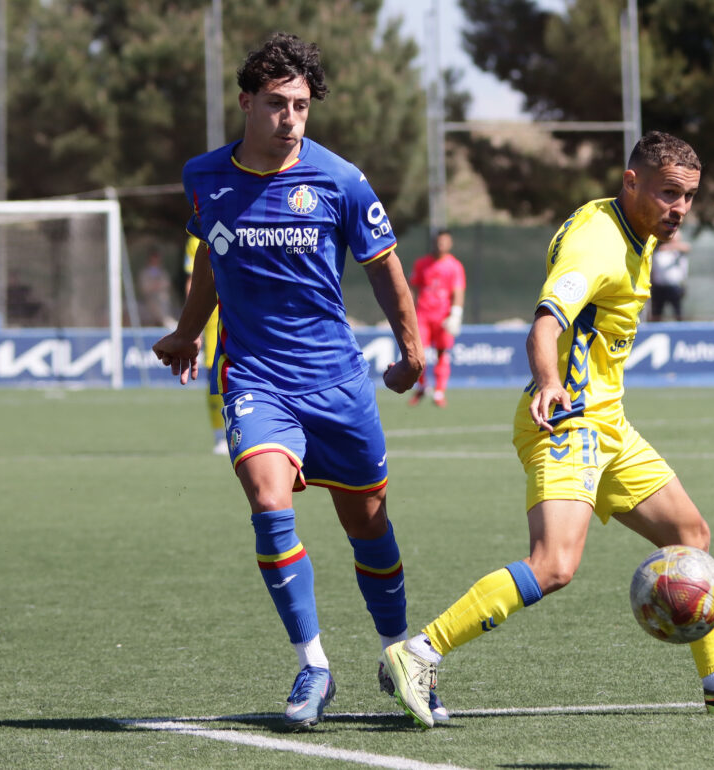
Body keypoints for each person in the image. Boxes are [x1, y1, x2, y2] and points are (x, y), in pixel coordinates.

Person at [381, 131, 714, 728]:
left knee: (689, 533)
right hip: (566, 421)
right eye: (668, 194)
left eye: (687, 197)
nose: (679, 208)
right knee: (553, 565)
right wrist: (549, 381)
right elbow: (545, 325)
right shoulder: (598, 246)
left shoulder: (634, 223)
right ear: (630, 182)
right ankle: (419, 652)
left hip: (608, 425)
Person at [152, 32, 433, 730]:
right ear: (247, 102)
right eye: (277, 104)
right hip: (255, 377)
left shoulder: (341, 180)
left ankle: (400, 655)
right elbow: (212, 261)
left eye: (301, 107)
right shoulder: (204, 177)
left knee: (370, 529)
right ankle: (313, 664)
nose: (290, 120)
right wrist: (189, 333)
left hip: (337, 383)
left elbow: (386, 269)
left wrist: (412, 349)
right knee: (267, 498)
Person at [408, 230, 466, 407]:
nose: (441, 245)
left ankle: (439, 392)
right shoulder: (421, 264)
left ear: (450, 244)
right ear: (434, 243)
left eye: (445, 242)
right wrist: (407, 311)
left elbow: (458, 292)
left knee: (442, 353)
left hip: (443, 317)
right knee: (418, 353)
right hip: (423, 315)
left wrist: (455, 314)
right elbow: (412, 288)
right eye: (439, 242)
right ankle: (423, 386)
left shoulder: (455, 266)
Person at [183, 233, 227, 455]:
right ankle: (219, 435)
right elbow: (192, 280)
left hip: (237, 309)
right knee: (213, 374)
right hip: (211, 317)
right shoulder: (196, 239)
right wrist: (191, 323)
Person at [648, 238, 690, 321]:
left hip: (674, 286)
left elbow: (687, 247)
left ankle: (681, 329)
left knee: (678, 312)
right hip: (658, 286)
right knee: (656, 312)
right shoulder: (656, 250)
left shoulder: (678, 251)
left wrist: (670, 246)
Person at [138, 247, 175, 327]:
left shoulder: (163, 272)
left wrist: (157, 285)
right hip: (149, 301)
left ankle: (166, 321)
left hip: (162, 299)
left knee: (163, 299)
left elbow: (167, 284)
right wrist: (154, 285)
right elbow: (144, 288)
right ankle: (166, 321)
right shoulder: (144, 273)